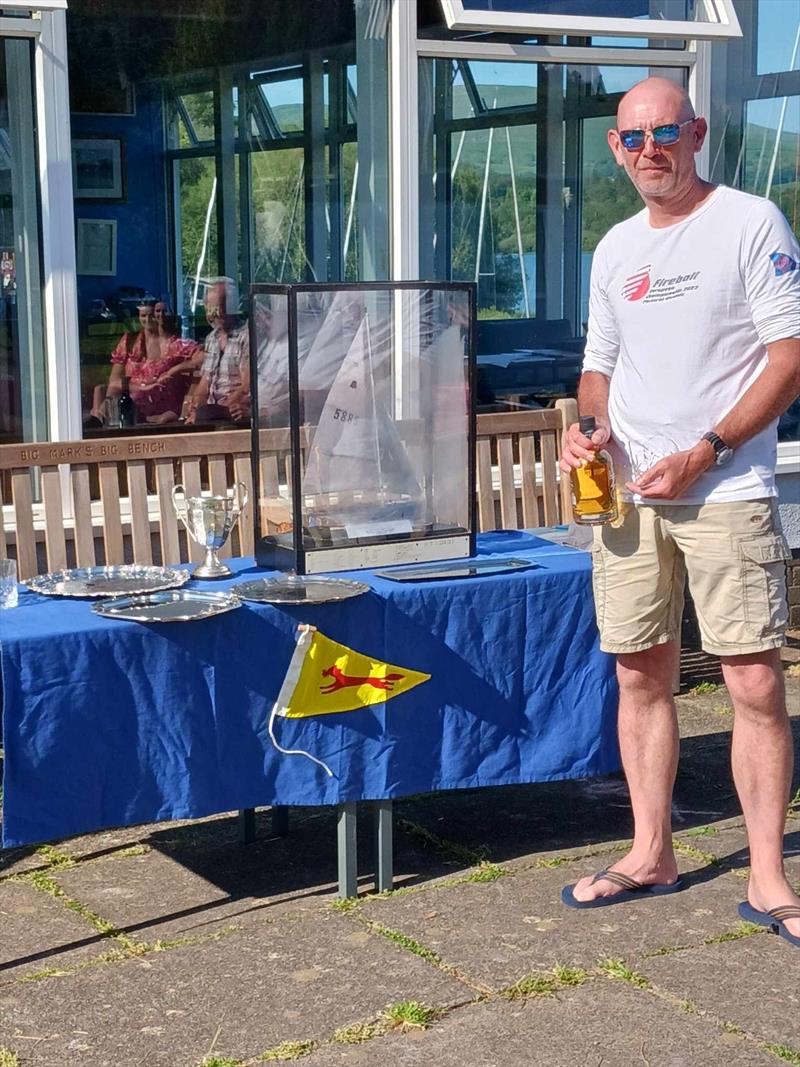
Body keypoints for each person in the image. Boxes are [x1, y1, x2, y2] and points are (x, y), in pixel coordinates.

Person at [558, 77, 800, 944]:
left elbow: (789, 359)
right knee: (638, 674)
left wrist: (709, 448)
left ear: (695, 133)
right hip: (627, 497)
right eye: (631, 138)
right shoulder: (616, 247)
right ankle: (651, 850)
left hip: (725, 491)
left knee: (752, 681)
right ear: (616, 150)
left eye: (664, 132)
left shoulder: (749, 221)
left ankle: (769, 876)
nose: (647, 149)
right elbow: (599, 368)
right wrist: (588, 429)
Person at [90, 299, 200, 426]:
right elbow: (114, 382)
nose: (148, 320)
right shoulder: (129, 341)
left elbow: (204, 359)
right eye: (143, 315)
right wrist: (143, 386)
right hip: (131, 412)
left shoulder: (176, 344)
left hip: (167, 416)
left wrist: (175, 369)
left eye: (152, 315)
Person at [185, 278, 248, 424]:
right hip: (211, 413)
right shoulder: (212, 338)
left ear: (232, 306)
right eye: (210, 309)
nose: (213, 315)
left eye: (217, 308)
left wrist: (220, 410)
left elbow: (246, 386)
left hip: (234, 414)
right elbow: (205, 382)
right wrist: (195, 407)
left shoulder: (247, 336)